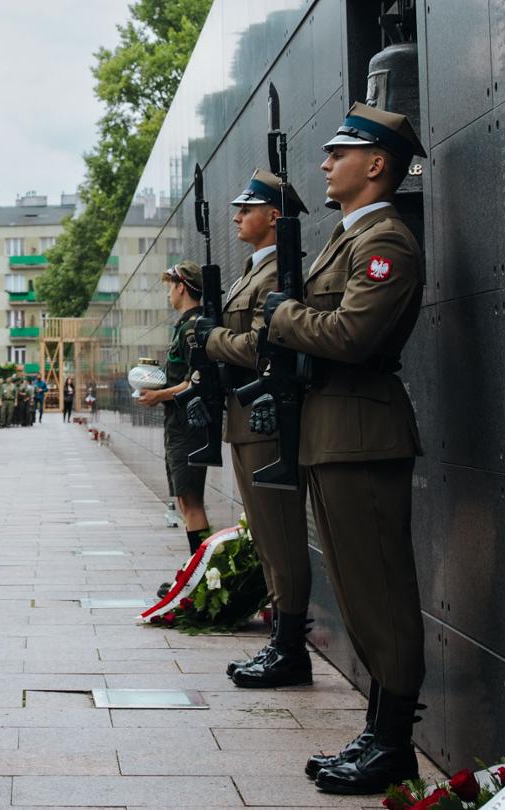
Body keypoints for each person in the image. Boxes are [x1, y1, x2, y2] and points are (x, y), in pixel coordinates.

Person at [258, 103, 429, 795]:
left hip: (362, 436)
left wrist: (283, 316)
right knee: (359, 596)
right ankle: (379, 733)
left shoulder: (385, 240)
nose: (325, 164)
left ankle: (393, 745)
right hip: (334, 436)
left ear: (377, 164)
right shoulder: (346, 236)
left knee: (381, 595)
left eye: (339, 153)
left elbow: (356, 335)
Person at [191, 168, 316, 691]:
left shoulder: (278, 279)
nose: (238, 216)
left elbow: (262, 347)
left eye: (249, 208)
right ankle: (279, 639)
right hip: (245, 423)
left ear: (275, 216)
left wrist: (212, 337)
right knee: (266, 536)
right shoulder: (250, 273)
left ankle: (290, 650)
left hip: (268, 422)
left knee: (282, 537)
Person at [137, 261, 212, 561]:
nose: (168, 293)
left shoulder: (193, 327)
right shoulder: (184, 324)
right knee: (185, 500)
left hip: (188, 426)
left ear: (182, 287)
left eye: (170, 287)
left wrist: (159, 395)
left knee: (191, 501)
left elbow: (195, 380)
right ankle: (198, 570)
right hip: (178, 424)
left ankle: (202, 574)